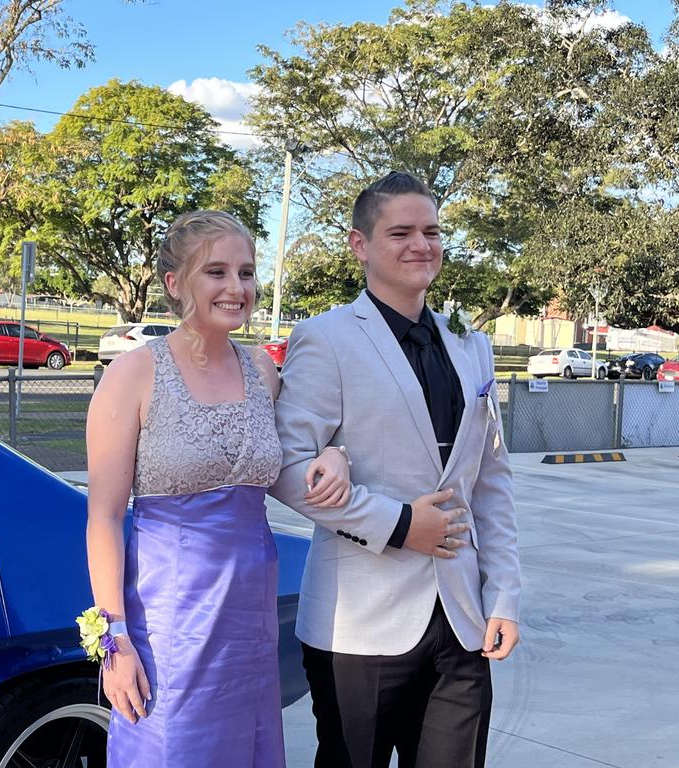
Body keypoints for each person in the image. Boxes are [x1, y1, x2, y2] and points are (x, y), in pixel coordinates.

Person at [270, 171, 521, 768]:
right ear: (360, 245)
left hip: (462, 618)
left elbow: (490, 479)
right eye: (400, 232)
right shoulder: (325, 338)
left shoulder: (471, 343)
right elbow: (284, 466)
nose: (420, 245)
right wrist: (400, 524)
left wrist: (505, 593)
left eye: (431, 231)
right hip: (359, 622)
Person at [85, 210, 353, 768]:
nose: (237, 288)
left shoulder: (262, 371)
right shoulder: (134, 374)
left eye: (247, 273)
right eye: (217, 272)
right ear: (174, 283)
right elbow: (104, 517)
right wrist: (116, 641)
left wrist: (336, 454)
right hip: (168, 622)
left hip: (249, 619)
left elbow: (287, 463)